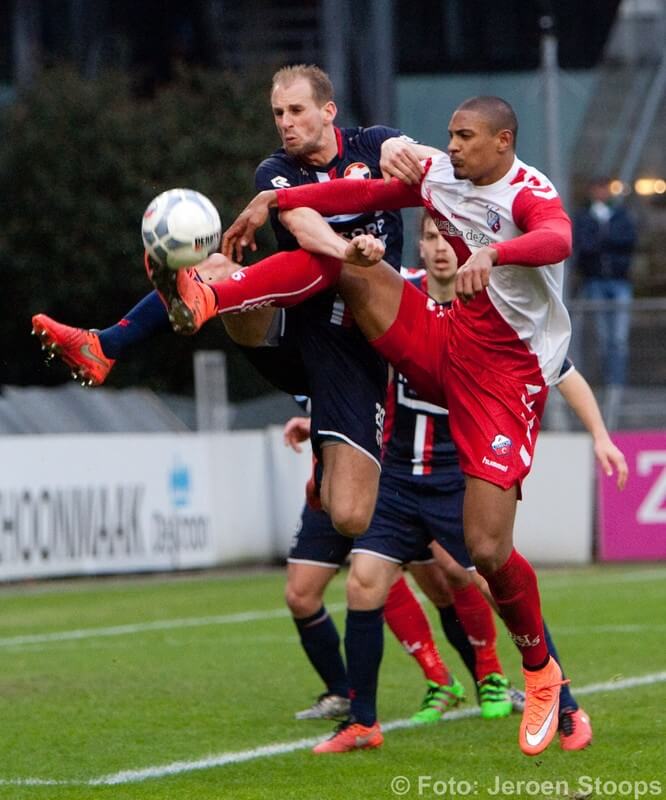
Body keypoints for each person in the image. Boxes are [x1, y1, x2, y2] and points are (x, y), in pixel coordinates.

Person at [144, 95, 586, 756]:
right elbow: (368, 188)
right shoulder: (444, 173)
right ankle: (214, 294)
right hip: (443, 342)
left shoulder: (528, 191)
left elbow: (559, 237)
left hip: (504, 381)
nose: (451, 147)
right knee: (350, 269)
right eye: (449, 134)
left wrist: (498, 255)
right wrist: (273, 203)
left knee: (487, 552)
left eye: (465, 137)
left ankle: (542, 672)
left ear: (503, 141)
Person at [294, 214, 624, 753]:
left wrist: (601, 435)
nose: (440, 248)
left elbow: (562, 370)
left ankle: (565, 706)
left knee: (497, 586)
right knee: (363, 582)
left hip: (458, 476)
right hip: (398, 475)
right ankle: (363, 721)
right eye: (428, 238)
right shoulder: (400, 296)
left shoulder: (497, 303)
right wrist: (320, 419)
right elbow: (356, 369)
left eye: (449, 238)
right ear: (419, 247)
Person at [573, 177, 637, 389]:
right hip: (595, 281)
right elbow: (583, 245)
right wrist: (606, 238)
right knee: (602, 336)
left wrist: (602, 237)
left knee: (618, 339)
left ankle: (617, 385)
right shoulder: (584, 216)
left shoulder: (620, 214)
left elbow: (628, 240)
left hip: (619, 281)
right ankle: (605, 383)